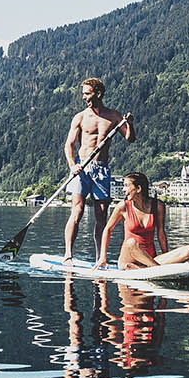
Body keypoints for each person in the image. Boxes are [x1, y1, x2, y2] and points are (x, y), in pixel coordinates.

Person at [61, 77, 132, 260]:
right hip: (81, 168)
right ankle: (68, 255)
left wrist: (129, 124)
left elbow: (130, 138)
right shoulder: (81, 117)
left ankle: (101, 258)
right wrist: (72, 165)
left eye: (87, 93)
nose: (83, 97)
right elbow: (69, 145)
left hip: (101, 170)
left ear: (98, 94)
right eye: (83, 94)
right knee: (77, 210)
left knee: (101, 216)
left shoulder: (114, 116)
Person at [97, 171, 189, 270]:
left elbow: (161, 233)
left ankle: (147, 268)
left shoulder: (158, 206)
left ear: (138, 188)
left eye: (126, 186)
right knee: (131, 242)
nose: (123, 190)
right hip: (128, 259)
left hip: (151, 260)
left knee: (188, 250)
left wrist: (166, 256)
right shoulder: (123, 206)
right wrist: (102, 257)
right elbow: (107, 230)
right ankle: (157, 269)